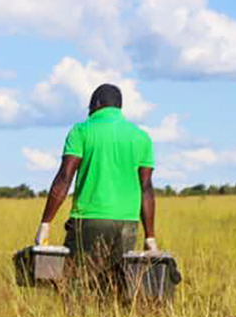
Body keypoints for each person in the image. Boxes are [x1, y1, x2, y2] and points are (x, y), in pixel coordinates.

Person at [35, 83, 157, 297]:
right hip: (128, 224)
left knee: (75, 289)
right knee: (117, 288)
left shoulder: (81, 131)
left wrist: (45, 223)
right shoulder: (141, 137)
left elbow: (64, 178)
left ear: (96, 104)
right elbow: (146, 188)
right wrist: (150, 236)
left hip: (88, 220)